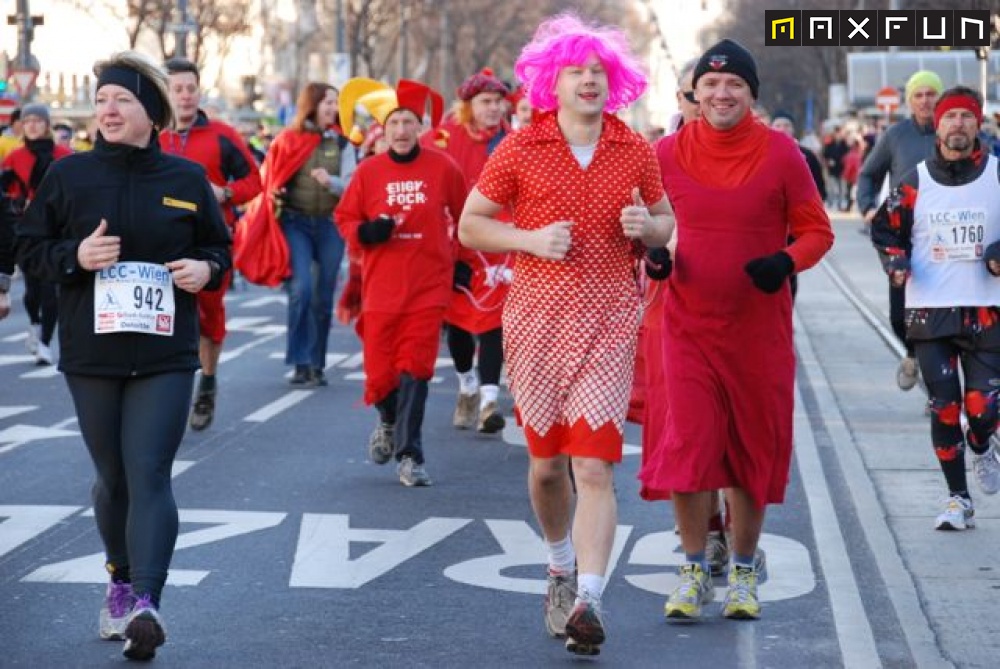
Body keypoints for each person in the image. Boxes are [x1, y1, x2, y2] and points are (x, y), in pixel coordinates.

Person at [459, 15, 674, 655]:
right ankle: (559, 566)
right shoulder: (523, 148)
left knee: (596, 468)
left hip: (609, 321)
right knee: (548, 467)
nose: (589, 81)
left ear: (615, 82)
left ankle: (591, 598)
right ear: (554, 81)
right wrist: (527, 239)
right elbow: (473, 225)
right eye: (577, 71)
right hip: (535, 323)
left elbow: (665, 220)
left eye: (599, 72)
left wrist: (648, 225)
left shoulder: (633, 149)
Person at [14, 50, 231, 661]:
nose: (108, 109)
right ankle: (117, 577)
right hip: (93, 352)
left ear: (151, 112)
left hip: (165, 351)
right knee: (113, 479)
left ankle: (146, 603)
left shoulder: (185, 181)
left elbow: (219, 248)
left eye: (123, 100)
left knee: (149, 471)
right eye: (102, 99)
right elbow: (30, 249)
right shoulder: (69, 176)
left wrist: (205, 268)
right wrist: (73, 259)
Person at [639, 39, 833, 623]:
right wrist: (654, 260)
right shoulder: (666, 153)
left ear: (751, 94)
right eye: (712, 85)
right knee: (689, 448)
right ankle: (695, 567)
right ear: (695, 93)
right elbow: (646, 232)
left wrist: (785, 262)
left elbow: (817, 232)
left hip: (757, 331)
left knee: (751, 452)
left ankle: (745, 573)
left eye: (735, 86)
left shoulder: (781, 155)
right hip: (687, 326)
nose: (722, 94)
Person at [870, 86, 1000, 531]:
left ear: (978, 123)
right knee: (944, 407)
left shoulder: (998, 174)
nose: (958, 124)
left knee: (981, 410)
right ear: (938, 126)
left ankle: (983, 445)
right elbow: (885, 233)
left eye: (967, 116)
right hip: (930, 311)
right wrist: (896, 263)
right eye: (950, 117)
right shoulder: (914, 180)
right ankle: (957, 499)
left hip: (987, 309)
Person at [336, 76, 468, 487]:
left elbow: (467, 217)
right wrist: (366, 233)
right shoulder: (368, 172)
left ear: (421, 126)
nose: (401, 130)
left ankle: (411, 455)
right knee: (380, 376)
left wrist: (462, 264)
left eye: (409, 121)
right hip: (381, 288)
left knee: (416, 368)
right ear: (383, 129)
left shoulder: (443, 167)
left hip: (428, 286)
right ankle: (388, 420)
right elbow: (345, 218)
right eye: (394, 123)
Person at [161, 57, 262, 430]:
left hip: (208, 244)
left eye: (191, 89)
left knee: (207, 320)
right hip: (160, 244)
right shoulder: (152, 135)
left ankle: (207, 382)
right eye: (178, 89)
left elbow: (255, 180)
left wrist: (226, 192)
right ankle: (167, 396)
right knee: (164, 321)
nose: (186, 97)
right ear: (165, 93)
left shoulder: (221, 135)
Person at [249, 82, 356, 385]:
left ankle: (317, 363)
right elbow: (269, 175)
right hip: (296, 223)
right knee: (301, 290)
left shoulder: (344, 143)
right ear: (312, 105)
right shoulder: (289, 139)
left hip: (330, 225)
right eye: (327, 102)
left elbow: (352, 185)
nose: (333, 108)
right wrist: (276, 191)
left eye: (336, 103)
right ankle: (300, 360)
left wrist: (331, 182)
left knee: (323, 298)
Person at [424, 67, 512, 434]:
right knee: (457, 324)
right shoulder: (443, 139)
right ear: (469, 105)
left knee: (494, 322)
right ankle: (468, 385)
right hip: (455, 244)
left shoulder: (513, 141)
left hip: (498, 244)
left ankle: (490, 401)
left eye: (498, 102)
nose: (493, 109)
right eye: (486, 102)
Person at [858, 70, 943, 393]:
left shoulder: (952, 132)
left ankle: (939, 387)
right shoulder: (895, 136)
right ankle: (912, 352)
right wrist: (867, 207)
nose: (925, 101)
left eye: (930, 94)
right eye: (918, 95)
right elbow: (868, 175)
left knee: (943, 315)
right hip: (903, 235)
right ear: (909, 101)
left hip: (943, 235)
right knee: (899, 314)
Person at [2, 102, 73, 364]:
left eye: (37, 120)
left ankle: (44, 342)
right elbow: (5, 195)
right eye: (27, 120)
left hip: (57, 230)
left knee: (50, 288)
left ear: (46, 125)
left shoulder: (64, 155)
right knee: (32, 291)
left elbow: (74, 192)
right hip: (26, 230)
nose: (32, 125)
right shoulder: (14, 157)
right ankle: (34, 324)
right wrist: (20, 204)